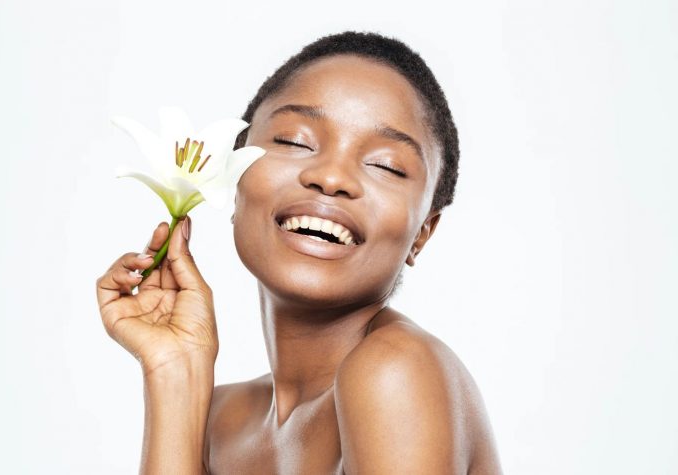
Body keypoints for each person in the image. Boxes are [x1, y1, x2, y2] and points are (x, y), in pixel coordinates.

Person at [96, 31, 502, 474]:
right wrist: (175, 373)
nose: (331, 177)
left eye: (386, 165)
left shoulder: (394, 370)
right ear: (234, 177)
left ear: (423, 232)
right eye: (294, 141)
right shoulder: (221, 420)